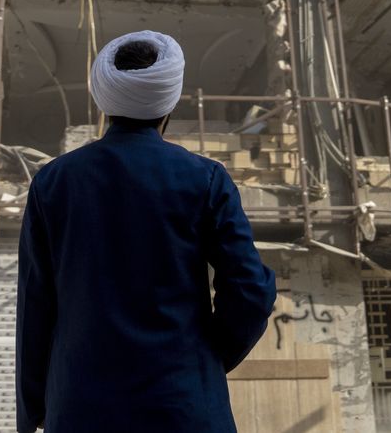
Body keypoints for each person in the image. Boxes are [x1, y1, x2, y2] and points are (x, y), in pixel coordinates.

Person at [15, 30, 277, 433]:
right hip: (184, 408)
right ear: (169, 102)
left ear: (105, 99)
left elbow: (36, 305)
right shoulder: (205, 179)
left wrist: (33, 409)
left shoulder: (53, 183)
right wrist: (204, 364)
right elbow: (250, 291)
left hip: (80, 411)